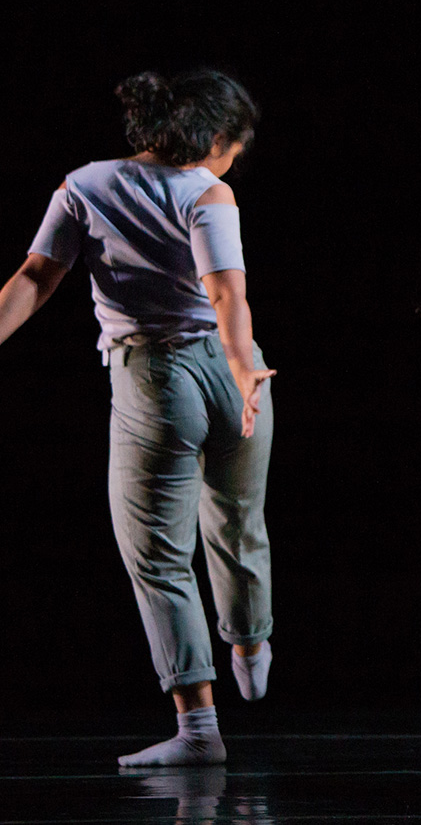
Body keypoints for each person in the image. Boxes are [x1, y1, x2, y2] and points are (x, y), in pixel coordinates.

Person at [0, 70, 274, 767]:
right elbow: (226, 293)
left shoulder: (84, 185)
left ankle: (200, 731)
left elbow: (36, 275)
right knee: (238, 517)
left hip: (155, 378)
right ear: (212, 138)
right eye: (232, 150)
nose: (232, 162)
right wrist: (243, 369)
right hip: (229, 367)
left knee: (157, 552)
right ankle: (251, 642)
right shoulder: (209, 192)